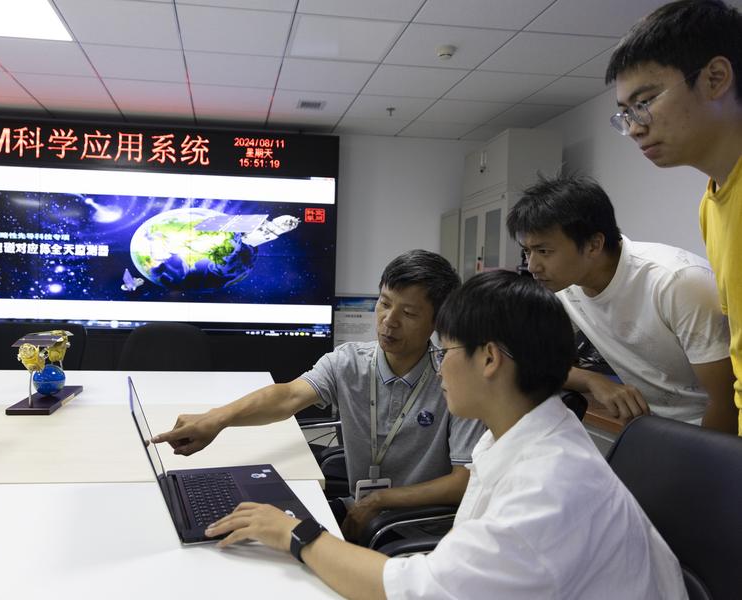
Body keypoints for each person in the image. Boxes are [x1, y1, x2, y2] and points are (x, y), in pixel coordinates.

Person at [203, 271, 686, 599]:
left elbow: (419, 589)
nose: (440, 368)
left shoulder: (545, 489)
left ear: (489, 359)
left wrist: (296, 534)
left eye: (448, 350)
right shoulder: (518, 437)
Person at [152, 249, 484, 540]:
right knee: (251, 525)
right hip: (360, 508)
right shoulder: (350, 361)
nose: (389, 321)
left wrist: (381, 500)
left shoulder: (455, 379)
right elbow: (287, 397)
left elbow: (463, 481)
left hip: (418, 526)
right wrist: (216, 420)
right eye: (384, 303)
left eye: (408, 313)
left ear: (437, 321)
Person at [507, 173, 736, 433]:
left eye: (544, 251)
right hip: (650, 428)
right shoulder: (564, 286)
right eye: (527, 251)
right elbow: (526, 362)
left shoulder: (676, 283)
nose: (532, 266)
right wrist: (592, 380)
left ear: (594, 245)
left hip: (712, 431)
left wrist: (694, 456)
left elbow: (726, 402)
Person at [606, 0, 742, 433]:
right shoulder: (712, 203)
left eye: (645, 102)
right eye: (625, 114)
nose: (634, 128)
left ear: (715, 78)